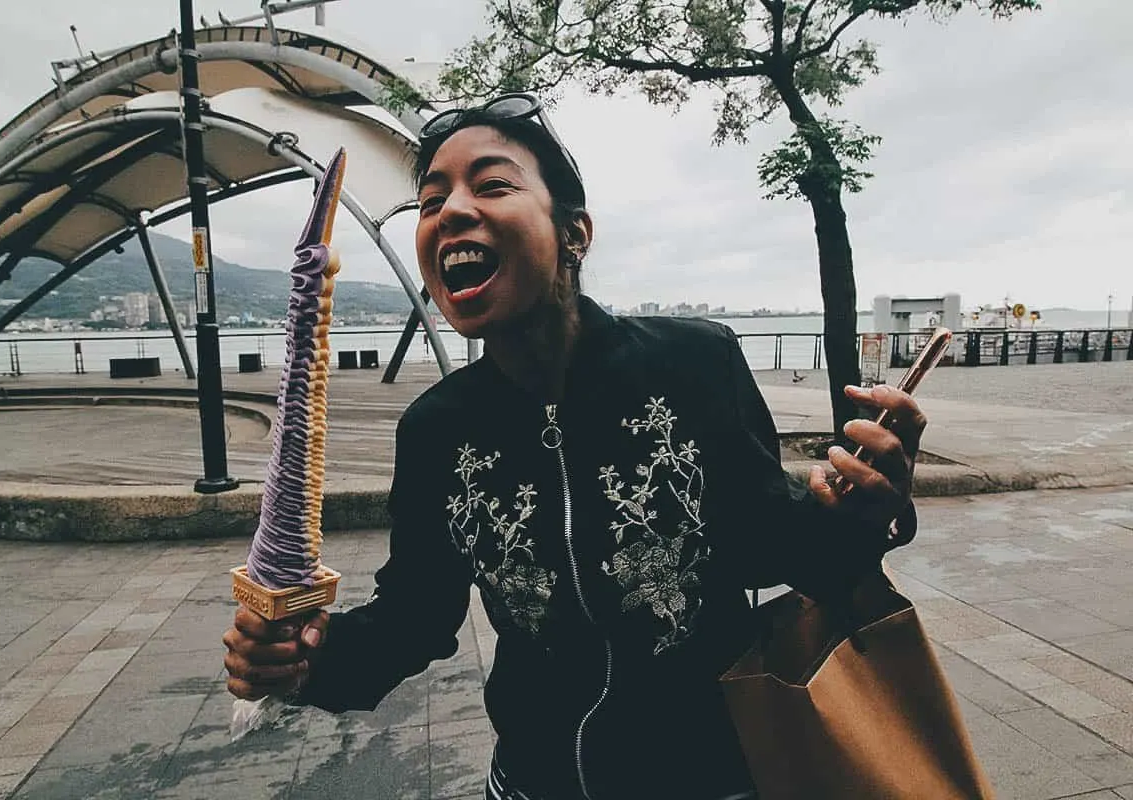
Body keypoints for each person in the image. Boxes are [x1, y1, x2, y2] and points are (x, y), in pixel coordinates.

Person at [224, 93, 928, 800]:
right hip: (535, 781)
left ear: (575, 234)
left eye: (493, 184)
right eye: (431, 201)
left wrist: (867, 509)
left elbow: (771, 545)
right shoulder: (437, 430)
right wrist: (308, 660)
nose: (452, 211)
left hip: (718, 774)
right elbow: (414, 619)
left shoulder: (694, 364)